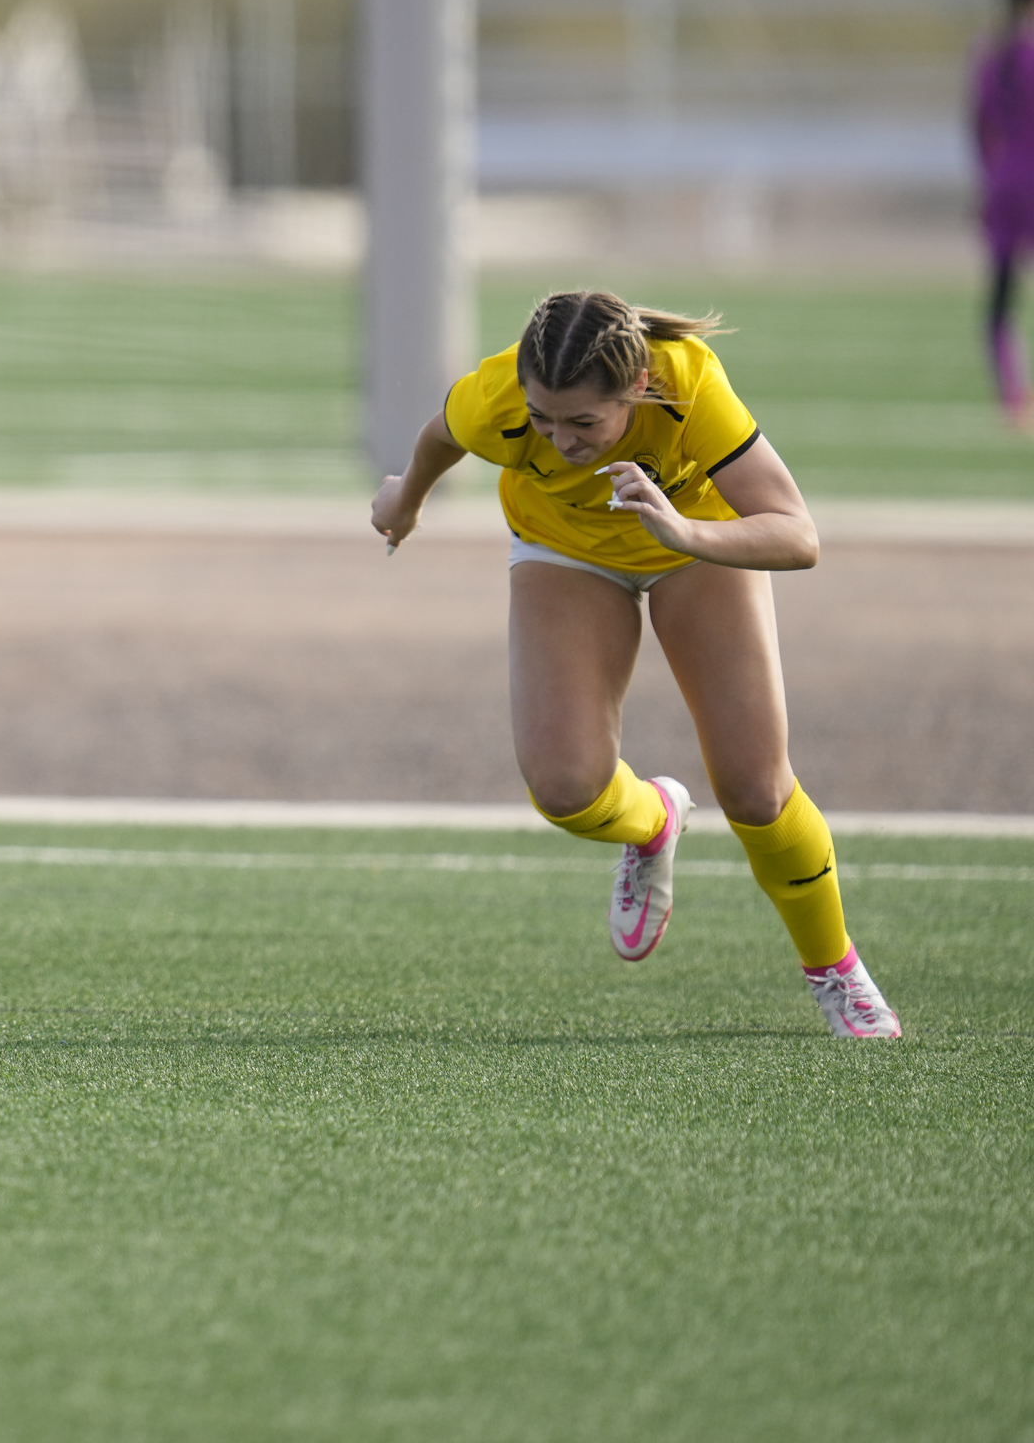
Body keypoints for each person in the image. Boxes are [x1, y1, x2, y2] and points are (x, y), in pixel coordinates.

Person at [371, 289, 901, 1038]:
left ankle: (835, 968)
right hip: (566, 550)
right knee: (563, 787)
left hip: (699, 543)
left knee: (755, 791)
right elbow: (438, 439)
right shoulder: (500, 395)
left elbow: (797, 535)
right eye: (544, 418)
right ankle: (653, 821)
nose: (558, 439)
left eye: (583, 422)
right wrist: (407, 501)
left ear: (638, 390)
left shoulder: (688, 382)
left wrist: (684, 531)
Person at [970, 0, 1034, 431]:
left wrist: (989, 180)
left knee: (1001, 297)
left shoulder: (992, 55)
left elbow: (978, 127)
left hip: (1005, 181)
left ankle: (1014, 395)